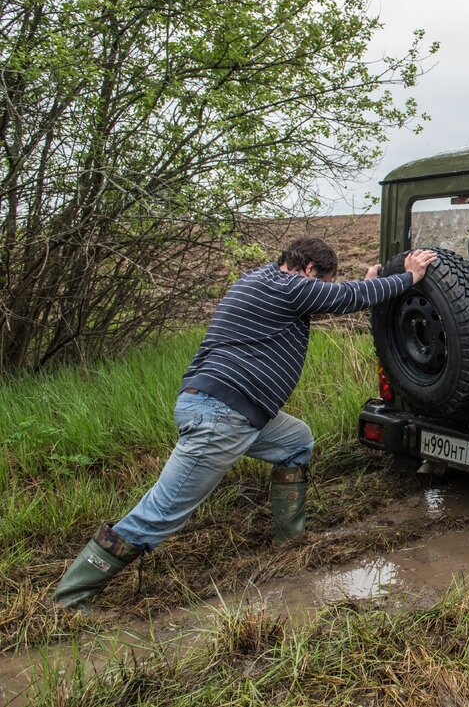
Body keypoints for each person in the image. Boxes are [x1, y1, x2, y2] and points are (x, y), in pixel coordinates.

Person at [52, 238, 437, 609]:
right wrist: (408, 277)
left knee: (296, 441)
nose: (325, 290)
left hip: (228, 409)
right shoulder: (290, 287)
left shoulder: (262, 281)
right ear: (307, 269)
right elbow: (343, 299)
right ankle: (71, 597)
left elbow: (330, 302)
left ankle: (291, 541)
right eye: (325, 282)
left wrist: (368, 285)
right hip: (221, 416)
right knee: (162, 513)